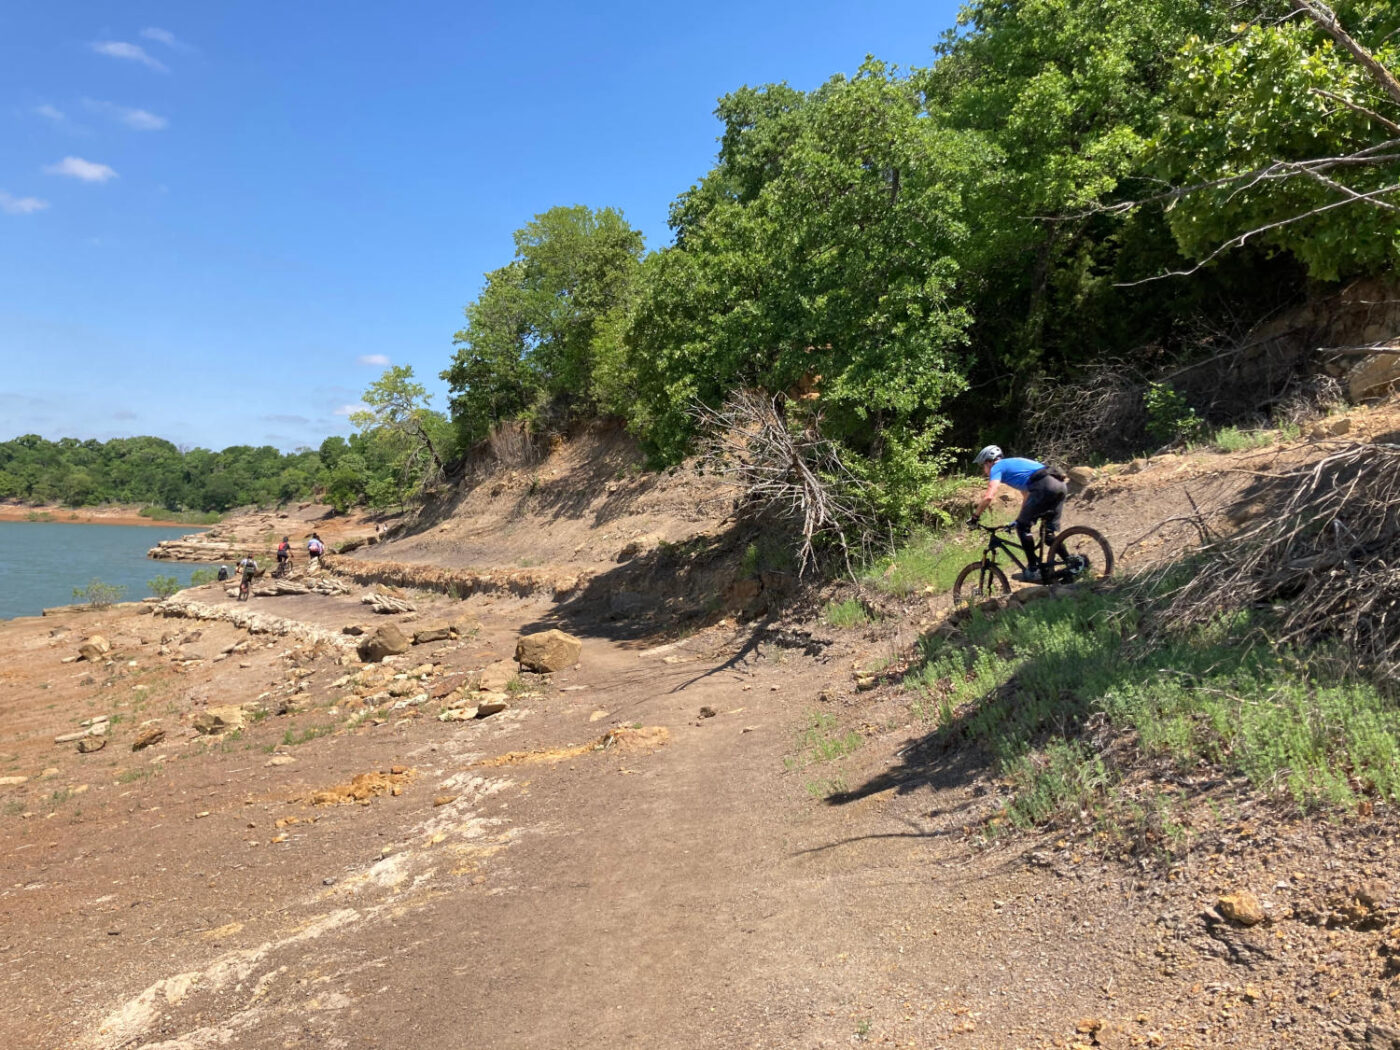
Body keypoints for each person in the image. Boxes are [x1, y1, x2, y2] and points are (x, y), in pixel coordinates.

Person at [967, 445, 1068, 582]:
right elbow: (1026, 495)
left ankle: (1033, 570)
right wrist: (1019, 518)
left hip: (1043, 487)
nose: (984, 471)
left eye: (982, 466)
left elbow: (989, 496)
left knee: (1022, 527)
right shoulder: (1014, 466)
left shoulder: (998, 467)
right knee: (1048, 536)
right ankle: (1073, 564)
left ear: (989, 462)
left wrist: (975, 517)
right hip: (1059, 485)